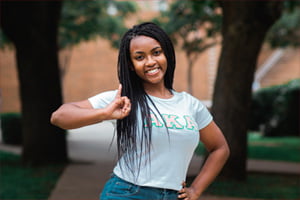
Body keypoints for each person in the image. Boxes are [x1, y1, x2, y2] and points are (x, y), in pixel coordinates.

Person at [51, 22, 230, 200]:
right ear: (131, 64)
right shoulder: (122, 99)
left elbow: (220, 148)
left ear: (166, 54)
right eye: (140, 57)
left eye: (156, 53)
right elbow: (59, 116)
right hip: (128, 194)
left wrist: (196, 190)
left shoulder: (190, 104)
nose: (150, 62)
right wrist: (105, 113)